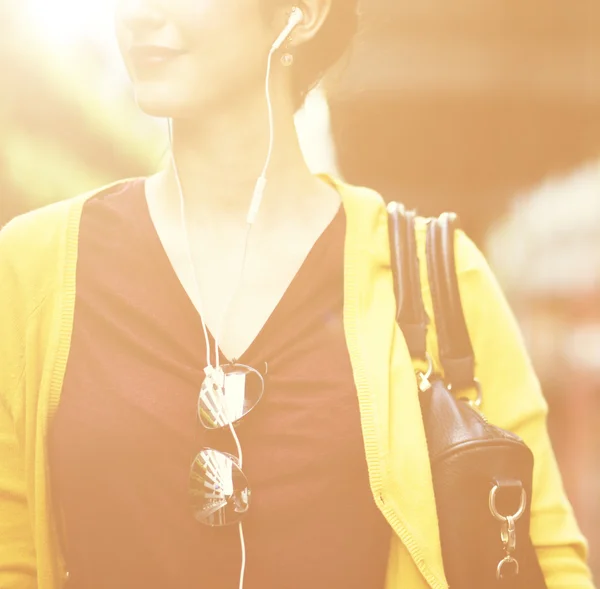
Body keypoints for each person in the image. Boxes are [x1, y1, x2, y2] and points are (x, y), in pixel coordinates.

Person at [0, 1, 595, 588]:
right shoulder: (33, 268)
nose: (140, 13)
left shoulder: (434, 278)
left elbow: (539, 555)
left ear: (301, 13)